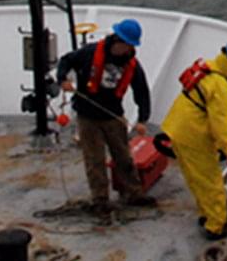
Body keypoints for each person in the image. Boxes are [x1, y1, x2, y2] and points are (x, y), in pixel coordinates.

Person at [56, 18, 157, 217]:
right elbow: (66, 60)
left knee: (124, 157)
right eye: (127, 45)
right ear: (117, 41)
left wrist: (143, 119)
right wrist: (63, 79)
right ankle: (100, 199)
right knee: (94, 160)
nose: (128, 50)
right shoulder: (90, 52)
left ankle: (134, 193)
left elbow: (141, 92)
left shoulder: (133, 66)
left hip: (113, 117)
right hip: (87, 117)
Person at [161, 44, 227, 240]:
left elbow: (216, 85)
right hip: (195, 135)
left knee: (195, 177)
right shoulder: (222, 88)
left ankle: (206, 214)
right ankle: (216, 225)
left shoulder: (210, 67)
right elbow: (219, 125)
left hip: (177, 128)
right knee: (211, 182)